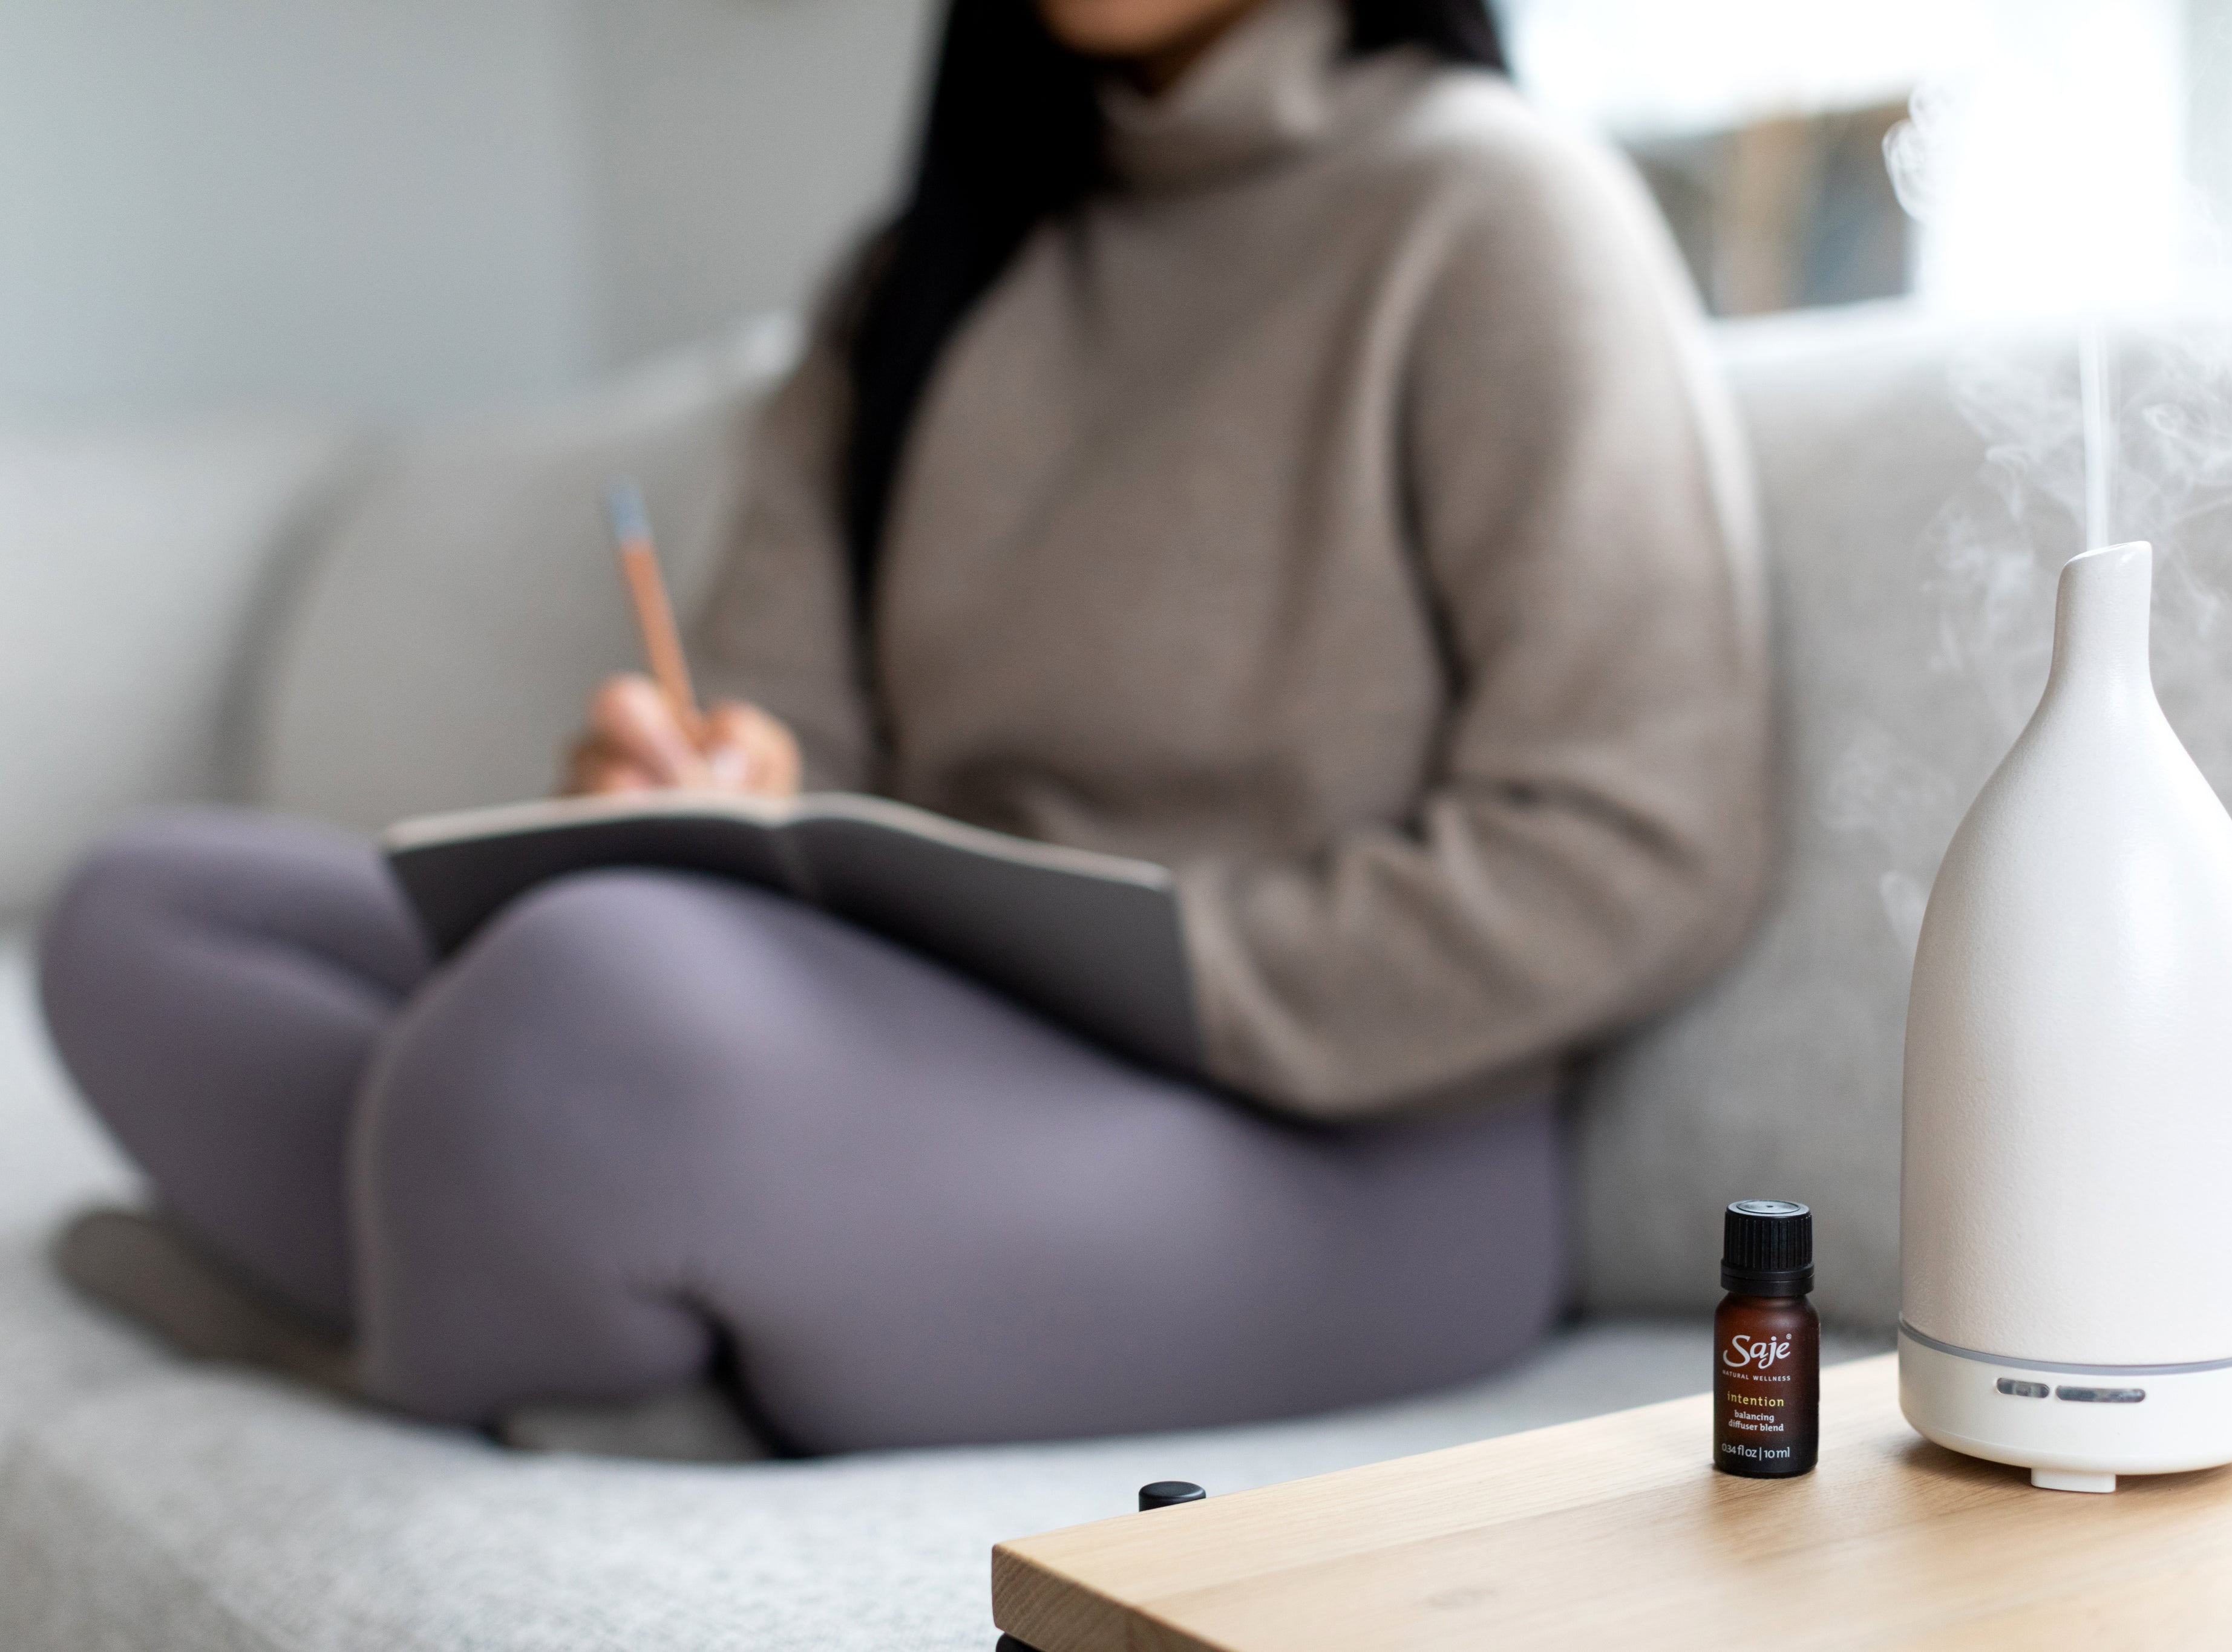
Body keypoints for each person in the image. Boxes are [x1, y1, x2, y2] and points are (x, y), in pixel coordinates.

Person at [39, 0, 1768, 1455]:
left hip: (1345, 1154)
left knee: (580, 1011)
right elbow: (784, 736)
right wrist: (709, 791)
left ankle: (427, 1325)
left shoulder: (1493, 210)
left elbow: (1645, 842)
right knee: (149, 918)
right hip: (928, 1057)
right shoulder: (922, 279)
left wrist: (1171, 973)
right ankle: (564, 1276)